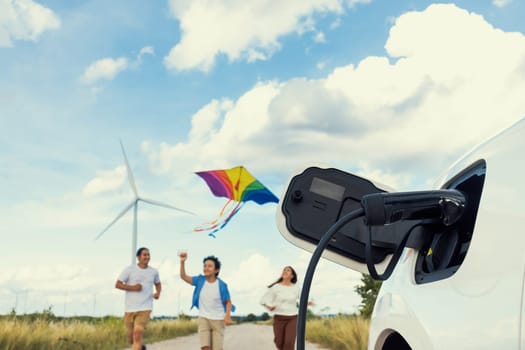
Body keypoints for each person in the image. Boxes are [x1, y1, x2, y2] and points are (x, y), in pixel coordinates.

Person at [180, 252, 234, 350]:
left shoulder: (222, 285)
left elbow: (228, 302)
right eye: (205, 266)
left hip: (218, 320)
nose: (206, 268)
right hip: (203, 318)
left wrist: (227, 316)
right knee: (205, 347)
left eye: (210, 266)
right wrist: (182, 262)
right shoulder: (199, 280)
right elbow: (183, 276)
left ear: (216, 270)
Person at [115, 247, 161, 350]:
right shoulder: (129, 270)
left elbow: (158, 283)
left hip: (145, 308)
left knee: (137, 333)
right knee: (132, 339)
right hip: (129, 309)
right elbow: (117, 284)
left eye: (148, 255)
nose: (147, 257)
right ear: (138, 257)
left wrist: (158, 293)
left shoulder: (153, 272)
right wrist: (133, 288)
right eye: (145, 255)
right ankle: (141, 347)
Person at [260, 266, 312, 350]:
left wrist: (308, 302)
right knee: (279, 343)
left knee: (289, 342)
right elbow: (263, 300)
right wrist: (269, 306)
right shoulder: (276, 287)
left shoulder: (296, 288)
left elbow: (303, 299)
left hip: (293, 318)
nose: (285, 271)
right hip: (279, 318)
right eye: (284, 270)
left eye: (288, 270)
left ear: (292, 276)